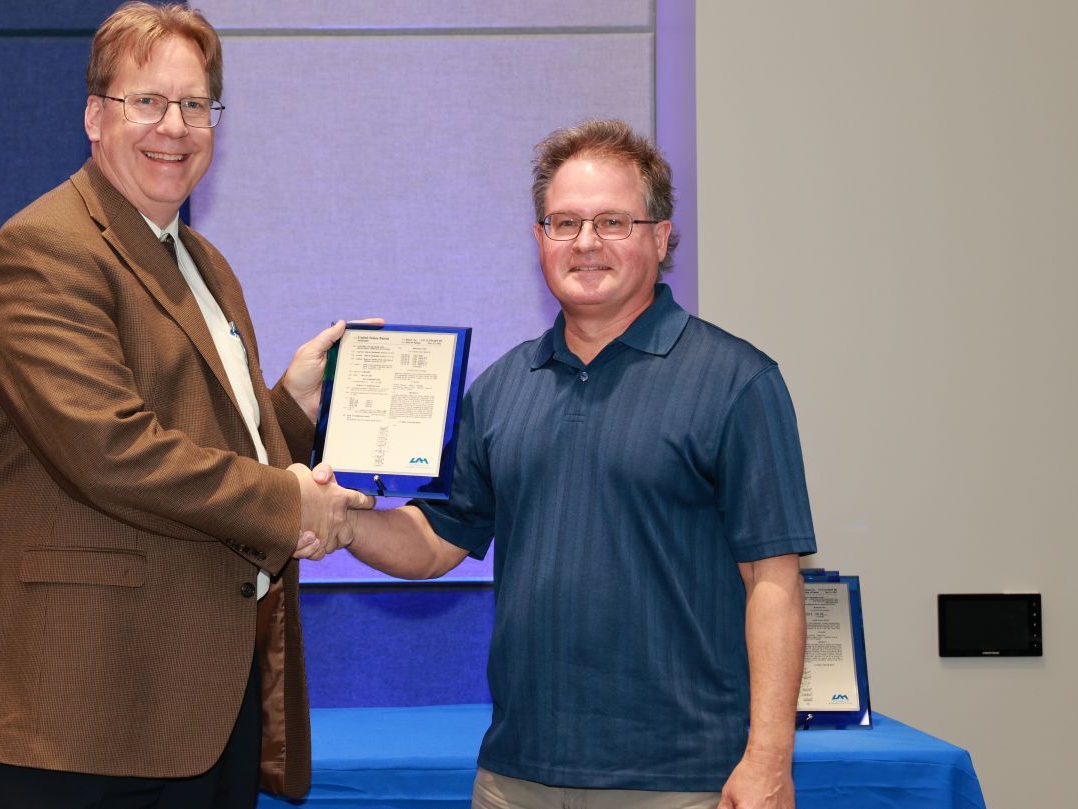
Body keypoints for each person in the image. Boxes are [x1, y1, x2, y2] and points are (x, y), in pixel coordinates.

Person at [0, 4, 370, 807]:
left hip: (190, 700)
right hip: (72, 711)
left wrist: (291, 411)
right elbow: (111, 449)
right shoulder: (46, 248)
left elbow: (194, 430)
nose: (175, 126)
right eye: (148, 102)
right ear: (96, 116)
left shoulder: (202, 260)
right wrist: (288, 499)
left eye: (196, 105)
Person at [318, 119, 815, 809]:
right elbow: (437, 539)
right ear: (539, 239)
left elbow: (774, 583)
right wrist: (341, 523)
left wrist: (769, 758)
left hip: (683, 779)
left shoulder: (737, 381)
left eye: (613, 220)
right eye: (564, 222)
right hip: (516, 775)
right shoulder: (500, 387)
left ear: (662, 236)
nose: (585, 243)